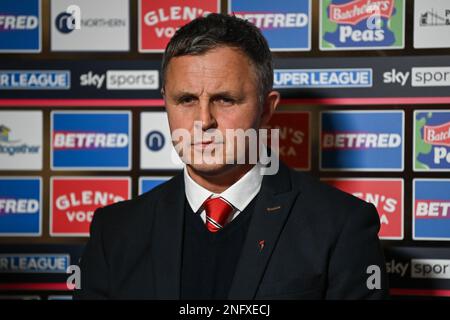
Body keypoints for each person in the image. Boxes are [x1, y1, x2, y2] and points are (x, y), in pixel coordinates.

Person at [74, 13, 388, 300]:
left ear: (266, 109)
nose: (203, 121)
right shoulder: (115, 231)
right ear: (165, 103)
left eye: (225, 100)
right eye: (185, 99)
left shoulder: (341, 226)